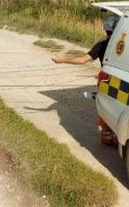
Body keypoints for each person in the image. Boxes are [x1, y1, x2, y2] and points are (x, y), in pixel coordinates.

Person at [51, 15, 119, 145]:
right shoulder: (127, 46)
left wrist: (62, 60)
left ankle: (107, 136)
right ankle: (117, 137)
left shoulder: (101, 45)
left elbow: (83, 59)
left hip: (106, 81)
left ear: (106, 30)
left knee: (105, 108)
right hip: (123, 84)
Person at [51, 15, 118, 66]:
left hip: (108, 79)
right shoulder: (126, 45)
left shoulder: (102, 45)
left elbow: (82, 60)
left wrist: (63, 60)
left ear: (105, 29)